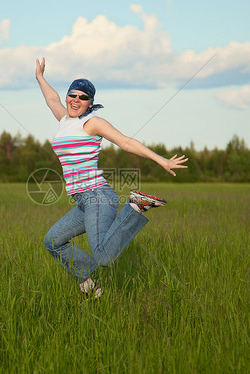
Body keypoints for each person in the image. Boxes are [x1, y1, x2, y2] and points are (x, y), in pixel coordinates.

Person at [36, 57, 188, 299]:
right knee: (53, 241)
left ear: (90, 103)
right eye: (72, 95)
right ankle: (89, 287)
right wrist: (40, 77)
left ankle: (136, 207)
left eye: (83, 97)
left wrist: (162, 160)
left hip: (98, 196)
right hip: (83, 201)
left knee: (104, 257)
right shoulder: (64, 120)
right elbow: (51, 99)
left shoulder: (92, 123)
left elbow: (125, 142)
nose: (76, 100)